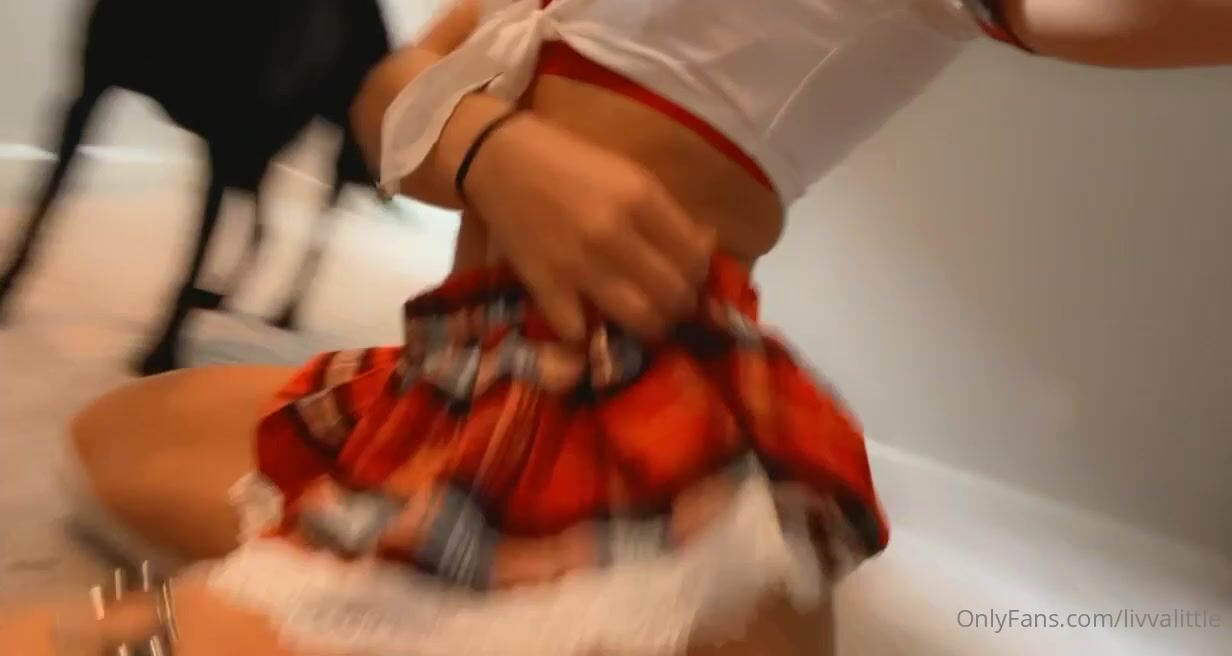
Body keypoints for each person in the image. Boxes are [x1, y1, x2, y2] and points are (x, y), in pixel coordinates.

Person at [3, 1, 1232, 654]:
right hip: (445, 373)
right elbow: (390, 107)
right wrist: (495, 151)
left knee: (97, 631)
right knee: (112, 439)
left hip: (601, 406)